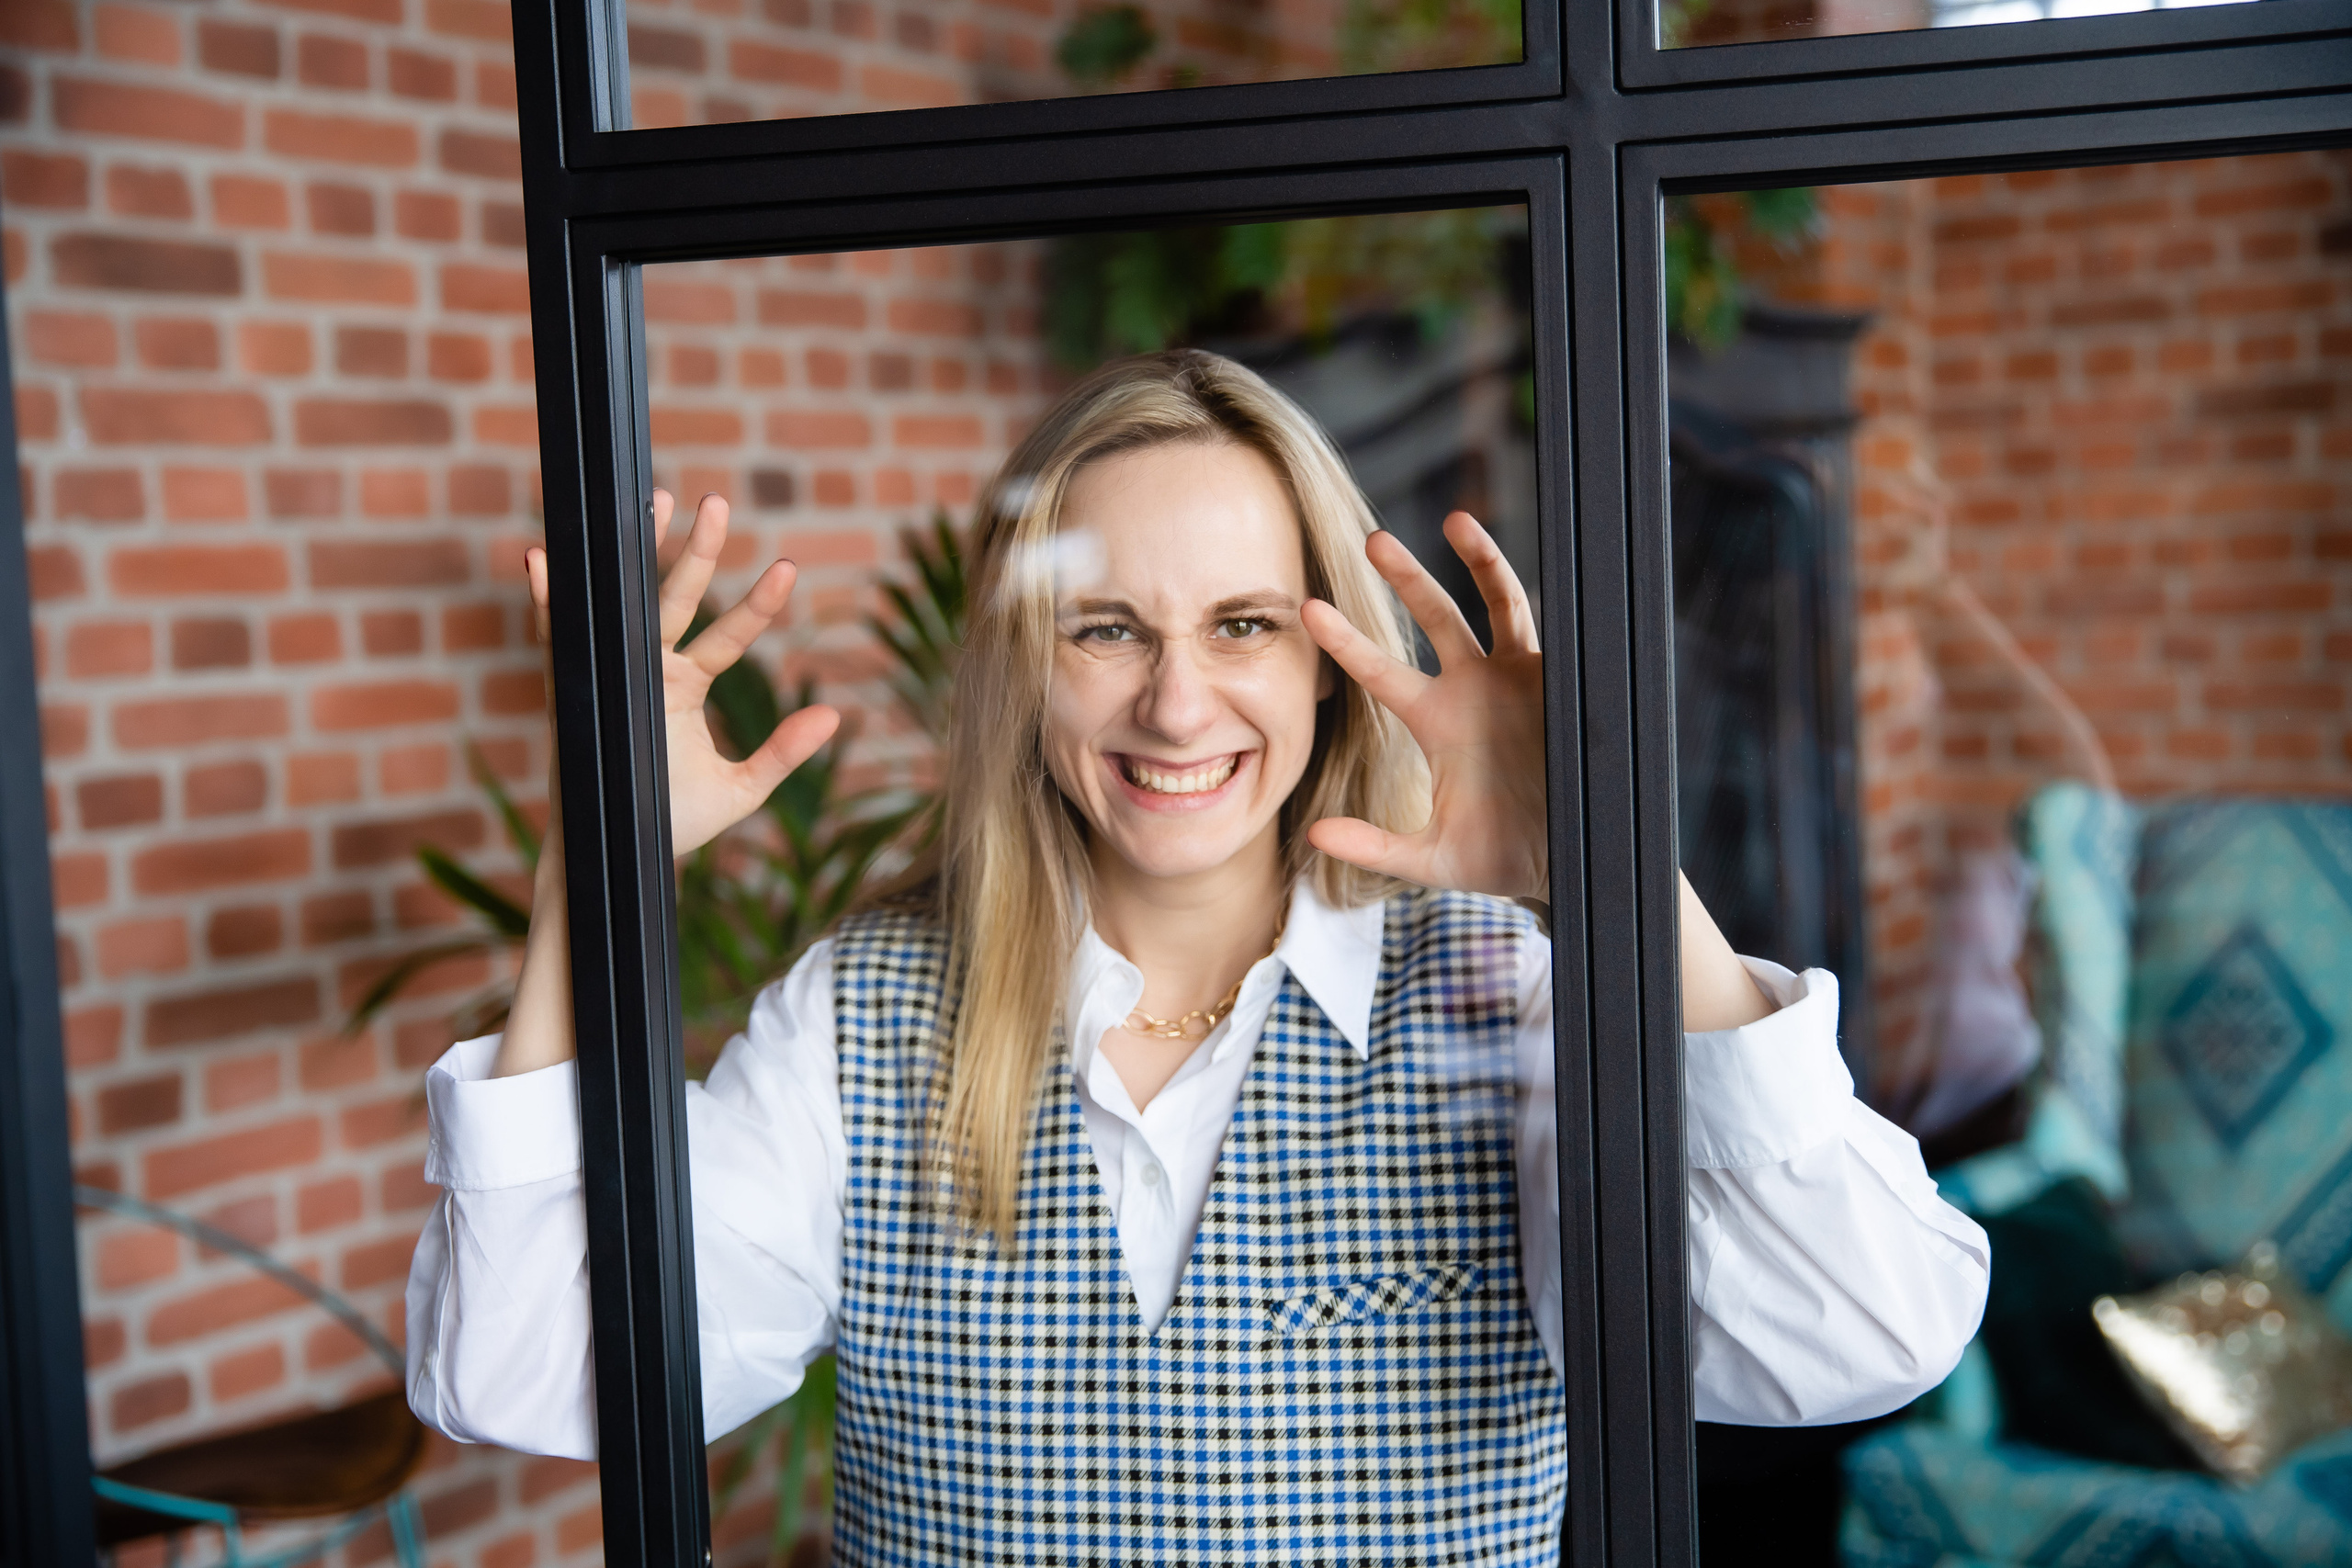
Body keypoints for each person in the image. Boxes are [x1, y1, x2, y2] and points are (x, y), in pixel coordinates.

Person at [405, 350, 1987, 1562]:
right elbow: (538, 1372)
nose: (1177, 706)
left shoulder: (1506, 1002)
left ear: (1333, 662)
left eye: (1243, 624)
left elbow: (1860, 1333)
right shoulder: (862, 1019)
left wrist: (1616, 875)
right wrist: (591, 861)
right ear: (1028, 667)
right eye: (1107, 629)